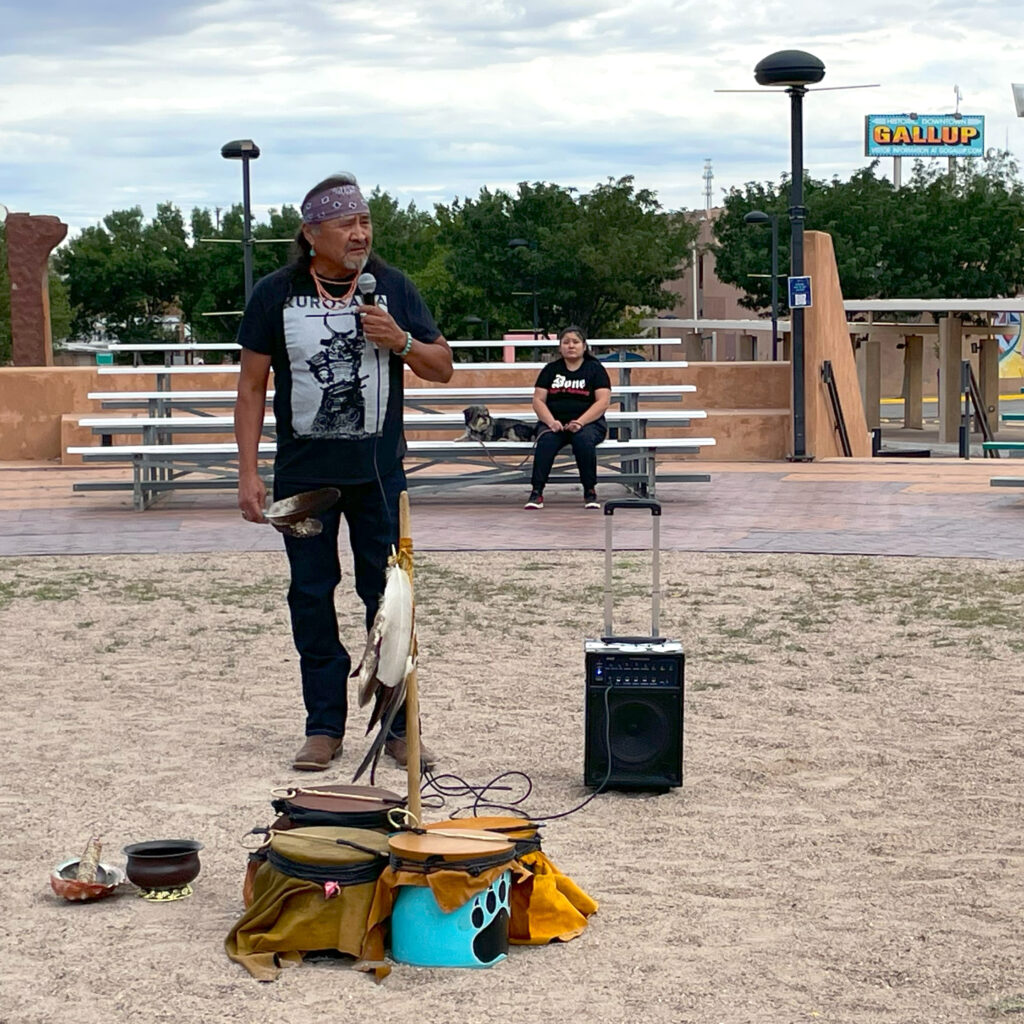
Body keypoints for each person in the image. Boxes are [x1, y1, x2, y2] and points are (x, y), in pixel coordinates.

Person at [234, 172, 453, 772]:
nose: (360, 234)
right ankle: (323, 726)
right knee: (310, 596)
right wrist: (248, 472)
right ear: (311, 234)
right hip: (304, 479)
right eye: (346, 224)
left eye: (364, 221)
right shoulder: (275, 295)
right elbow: (251, 388)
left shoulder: (394, 289)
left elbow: (443, 367)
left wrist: (400, 340)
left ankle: (399, 729)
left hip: (379, 475)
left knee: (390, 600)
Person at [525, 326, 611, 510]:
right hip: (555, 423)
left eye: (575, 342)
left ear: (584, 346)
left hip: (589, 423)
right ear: (559, 347)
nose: (570, 346)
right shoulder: (550, 370)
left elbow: (602, 402)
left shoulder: (595, 370)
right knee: (546, 441)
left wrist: (580, 422)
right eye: (566, 342)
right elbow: (538, 400)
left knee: (583, 441)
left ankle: (590, 490)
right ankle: (537, 491)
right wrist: (551, 422)